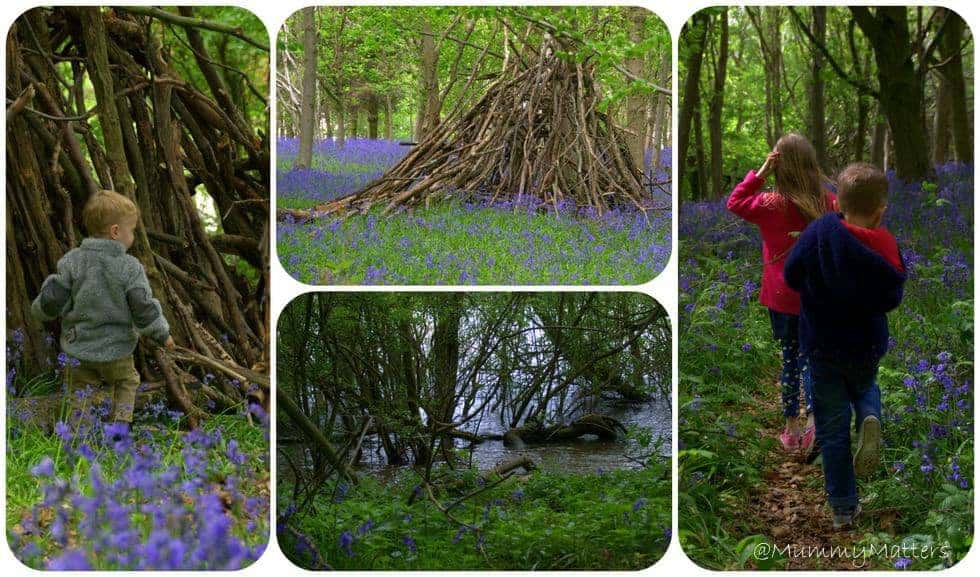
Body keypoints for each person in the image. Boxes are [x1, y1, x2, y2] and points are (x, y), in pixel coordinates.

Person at [784, 163, 906, 529]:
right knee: (867, 385)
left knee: (832, 429)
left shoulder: (820, 231)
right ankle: (870, 415)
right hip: (865, 345)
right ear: (880, 210)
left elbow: (791, 273)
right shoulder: (884, 242)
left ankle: (842, 508)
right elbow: (892, 297)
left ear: (838, 199)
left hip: (822, 347)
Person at [726, 133, 836, 455]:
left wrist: (760, 172)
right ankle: (815, 423)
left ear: (780, 166)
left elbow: (735, 202)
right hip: (818, 297)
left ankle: (791, 430)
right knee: (812, 358)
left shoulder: (770, 203)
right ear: (811, 164)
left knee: (790, 359)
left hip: (782, 297)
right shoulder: (828, 201)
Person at [31, 190, 175, 432]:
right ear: (116, 232)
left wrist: (39, 312)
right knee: (127, 382)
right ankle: (120, 428)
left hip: (79, 348)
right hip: (117, 350)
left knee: (78, 392)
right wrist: (163, 334)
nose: (133, 236)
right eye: (132, 230)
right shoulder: (129, 267)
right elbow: (143, 306)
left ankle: (78, 434)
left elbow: (53, 297)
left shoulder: (72, 261)